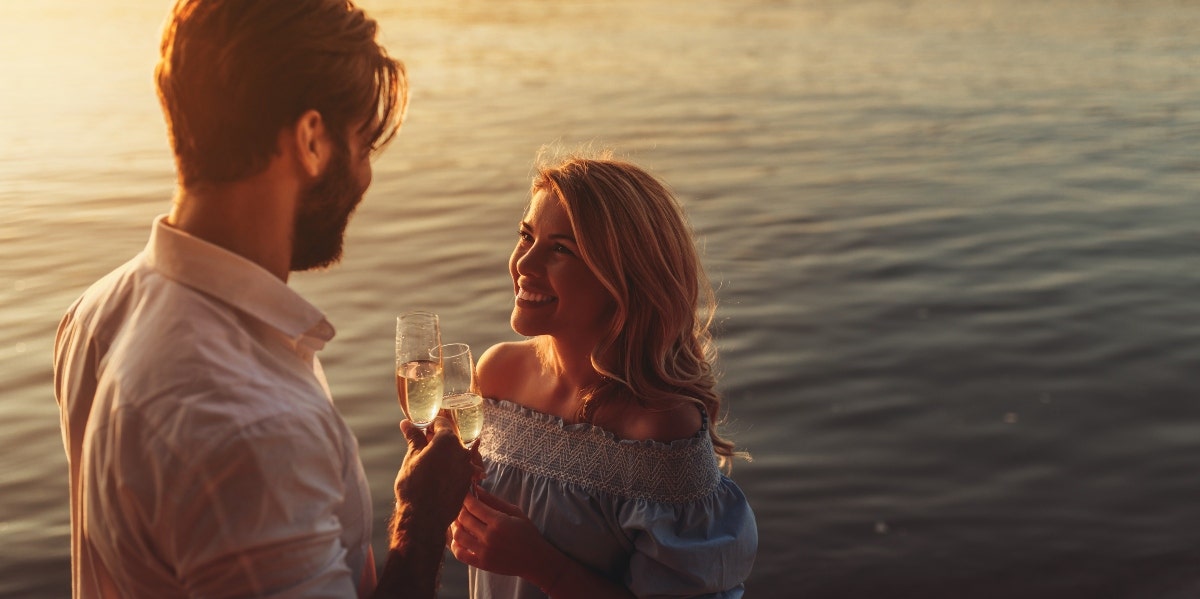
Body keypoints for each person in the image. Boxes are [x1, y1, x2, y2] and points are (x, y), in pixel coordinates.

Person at [51, 1, 475, 597]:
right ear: (310, 141)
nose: (364, 175)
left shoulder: (96, 312)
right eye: (361, 145)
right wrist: (423, 522)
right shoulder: (252, 427)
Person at [449, 152, 758, 598]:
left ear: (622, 276)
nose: (523, 264)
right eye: (526, 236)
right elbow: (467, 539)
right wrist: (438, 489)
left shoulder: (658, 427)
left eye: (560, 249)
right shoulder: (497, 374)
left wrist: (541, 565)